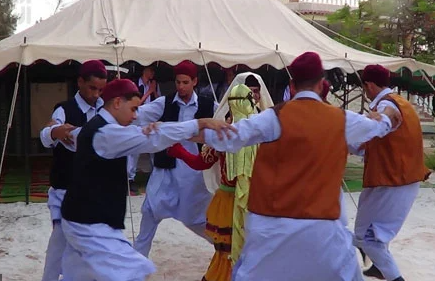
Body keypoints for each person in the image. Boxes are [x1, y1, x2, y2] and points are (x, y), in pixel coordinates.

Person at [188, 52, 402, 281]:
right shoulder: (342, 119)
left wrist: (180, 131)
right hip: (324, 230)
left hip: (274, 229)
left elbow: (226, 138)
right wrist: (389, 113)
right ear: (321, 85)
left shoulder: (272, 118)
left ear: (291, 85)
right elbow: (382, 126)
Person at [59, 79, 232, 281]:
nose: (135, 116)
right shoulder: (106, 132)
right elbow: (151, 140)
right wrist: (199, 123)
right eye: (133, 109)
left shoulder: (99, 127)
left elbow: (141, 135)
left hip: (82, 220)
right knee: (135, 271)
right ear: (117, 103)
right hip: (90, 225)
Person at [167, 83, 272, 281]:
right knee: (244, 251)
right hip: (254, 202)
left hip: (229, 202)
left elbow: (201, 163)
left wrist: (178, 151)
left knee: (228, 253)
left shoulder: (224, 134)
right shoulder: (263, 134)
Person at [353, 65, 430, 281]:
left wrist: (373, 122)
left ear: (368, 85)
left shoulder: (387, 106)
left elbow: (383, 124)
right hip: (404, 179)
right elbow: (375, 144)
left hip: (390, 181)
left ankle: (395, 277)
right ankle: (378, 266)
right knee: (375, 234)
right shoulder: (402, 103)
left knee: (366, 238)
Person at [134, 60, 217, 258]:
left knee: (196, 220)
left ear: (195, 81)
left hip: (194, 174)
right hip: (166, 169)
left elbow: (228, 120)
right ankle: (135, 266)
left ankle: (226, 252)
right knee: (149, 211)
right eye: (178, 82)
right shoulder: (164, 102)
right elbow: (137, 115)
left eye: (185, 82)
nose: (181, 86)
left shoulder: (208, 104)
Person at [39, 60, 107, 281]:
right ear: (80, 82)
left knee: (88, 248)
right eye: (92, 88)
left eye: (100, 89)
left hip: (93, 193)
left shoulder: (105, 110)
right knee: (59, 241)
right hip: (64, 192)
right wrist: (55, 131)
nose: (96, 94)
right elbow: (47, 134)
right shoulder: (64, 109)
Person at [128, 65, 160, 193]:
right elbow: (134, 104)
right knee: (134, 150)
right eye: (150, 70)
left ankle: (155, 175)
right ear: (144, 70)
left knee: (154, 147)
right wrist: (148, 92)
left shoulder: (153, 84)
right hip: (136, 119)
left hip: (150, 120)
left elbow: (159, 102)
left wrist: (154, 91)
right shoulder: (136, 84)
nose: (152, 73)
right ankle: (130, 179)